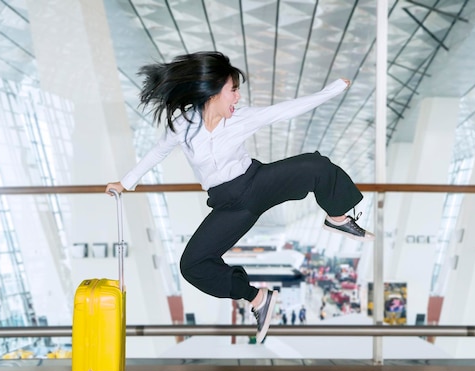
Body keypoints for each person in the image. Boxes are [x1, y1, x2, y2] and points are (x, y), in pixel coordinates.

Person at [105, 51, 374, 344]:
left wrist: (333, 89)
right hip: (230, 205)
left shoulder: (242, 118)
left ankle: (337, 218)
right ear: (213, 93)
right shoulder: (183, 125)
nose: (237, 96)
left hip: (256, 183)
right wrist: (125, 182)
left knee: (315, 165)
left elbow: (288, 109)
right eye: (233, 90)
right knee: (192, 265)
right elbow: (157, 152)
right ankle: (257, 297)